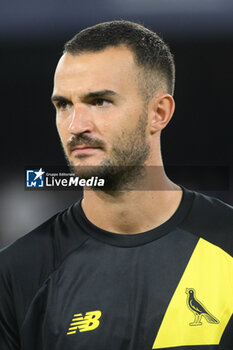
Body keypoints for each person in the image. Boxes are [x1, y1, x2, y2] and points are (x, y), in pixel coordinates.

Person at [0, 20, 233, 350]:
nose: (76, 125)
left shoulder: (227, 246)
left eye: (99, 101)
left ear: (159, 112)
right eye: (63, 105)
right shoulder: (16, 273)